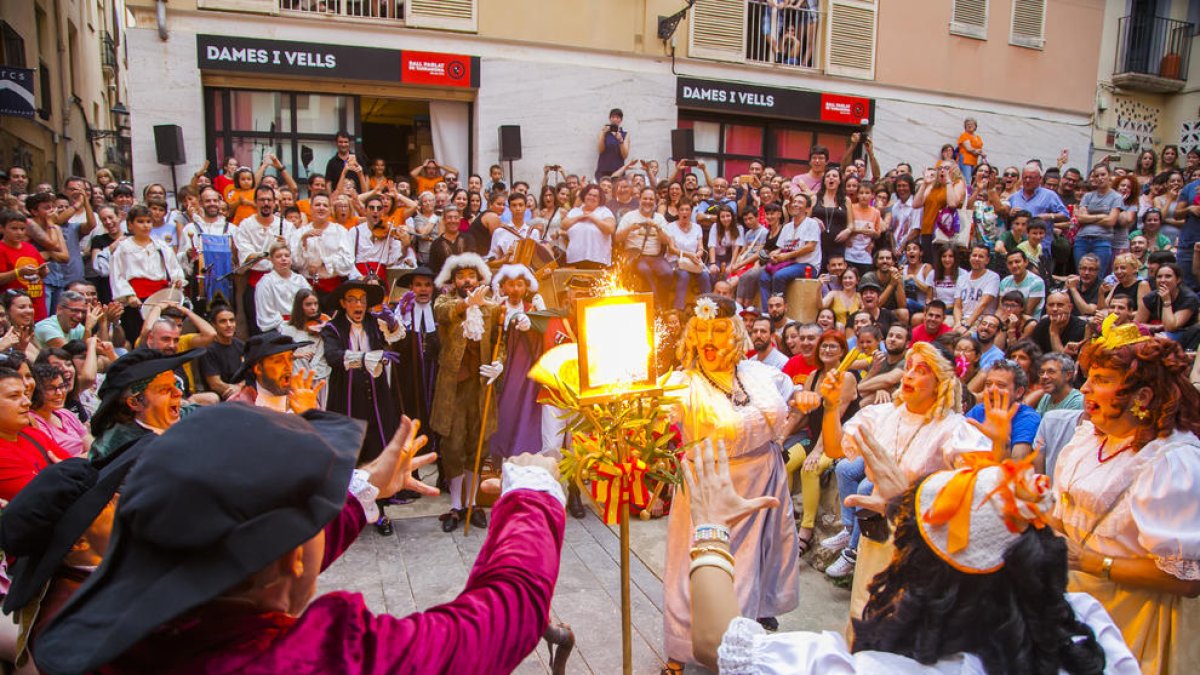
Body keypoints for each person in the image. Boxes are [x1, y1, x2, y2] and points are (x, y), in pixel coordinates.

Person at [32, 404, 568, 674]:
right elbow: (504, 616)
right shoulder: (316, 658)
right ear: (293, 557)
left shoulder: (139, 634)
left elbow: (257, 557)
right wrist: (533, 492)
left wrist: (361, 492)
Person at [682, 440, 1138, 674]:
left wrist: (711, 524)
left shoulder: (890, 669)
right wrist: (912, 512)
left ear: (926, 573)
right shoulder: (1084, 627)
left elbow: (717, 641)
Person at [659, 294, 800, 671]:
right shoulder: (681, 384)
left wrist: (816, 398)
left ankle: (739, 647)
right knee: (698, 564)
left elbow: (790, 398)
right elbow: (654, 419)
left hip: (763, 479)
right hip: (710, 487)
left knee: (750, 568)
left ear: (735, 334)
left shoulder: (760, 374)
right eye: (701, 329)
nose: (709, 338)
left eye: (719, 329)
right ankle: (680, 648)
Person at [1052, 316, 1200, 673]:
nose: (1084, 389)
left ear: (1142, 396)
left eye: (1101, 380)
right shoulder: (1087, 440)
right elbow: (1061, 521)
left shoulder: (1173, 460)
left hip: (1137, 617)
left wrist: (1091, 563)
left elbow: (1187, 579)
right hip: (1076, 605)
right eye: (1088, 377)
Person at [799, 341, 990, 618]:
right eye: (908, 367)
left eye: (922, 370)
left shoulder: (953, 429)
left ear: (940, 382)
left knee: (902, 616)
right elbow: (835, 448)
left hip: (921, 538)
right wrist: (830, 407)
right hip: (875, 536)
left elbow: (977, 485)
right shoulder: (882, 414)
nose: (909, 374)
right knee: (863, 610)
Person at [320, 280, 406, 535]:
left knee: (377, 447)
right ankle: (350, 512)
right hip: (347, 396)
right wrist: (368, 357)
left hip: (376, 395)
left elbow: (394, 335)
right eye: (353, 299)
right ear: (343, 303)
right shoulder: (333, 328)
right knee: (350, 451)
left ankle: (379, 510)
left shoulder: (373, 322)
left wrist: (391, 323)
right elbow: (334, 357)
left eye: (362, 299)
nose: (358, 304)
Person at [431, 254, 500, 532]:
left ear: (479, 278)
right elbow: (444, 314)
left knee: (477, 445)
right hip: (453, 387)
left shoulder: (492, 309)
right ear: (453, 281)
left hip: (480, 387)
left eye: (471, 276)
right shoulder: (444, 302)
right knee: (452, 446)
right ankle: (456, 506)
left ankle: (473, 504)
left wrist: (499, 363)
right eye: (461, 277)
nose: (467, 281)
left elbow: (499, 341)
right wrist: (466, 304)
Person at [88, 347, 204, 460]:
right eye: (164, 390)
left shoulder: (194, 417)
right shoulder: (114, 448)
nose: (178, 392)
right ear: (135, 402)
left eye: (175, 385)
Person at [487, 264, 545, 462]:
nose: (515, 290)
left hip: (525, 366)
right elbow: (492, 339)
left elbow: (543, 337)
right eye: (510, 285)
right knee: (504, 410)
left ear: (526, 287)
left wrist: (537, 320)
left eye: (520, 285)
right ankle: (498, 456)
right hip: (502, 368)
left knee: (525, 410)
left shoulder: (533, 308)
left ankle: (522, 454)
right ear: (503, 286)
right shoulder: (497, 308)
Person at [0, 367, 69, 501]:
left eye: (25, 394)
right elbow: (48, 498)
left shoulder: (31, 433)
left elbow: (80, 470)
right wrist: (67, 474)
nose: (27, 402)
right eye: (14, 396)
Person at [227, 331, 323, 414]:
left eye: (290, 358)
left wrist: (309, 414)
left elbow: (323, 433)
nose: (288, 366)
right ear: (258, 369)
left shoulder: (303, 396)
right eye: (278, 361)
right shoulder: (239, 406)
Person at [964, 359, 1040, 459]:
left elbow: (1016, 463)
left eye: (1001, 385)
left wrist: (1001, 441)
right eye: (988, 384)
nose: (991, 390)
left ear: (1019, 392)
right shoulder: (978, 411)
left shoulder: (1027, 417)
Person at [616, 187, 673, 309]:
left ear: (655, 201)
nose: (648, 201)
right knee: (644, 270)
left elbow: (666, 241)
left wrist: (658, 228)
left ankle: (663, 302)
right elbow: (617, 238)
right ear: (639, 199)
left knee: (668, 272)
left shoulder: (659, 218)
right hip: (635, 256)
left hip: (655, 257)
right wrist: (629, 229)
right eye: (645, 198)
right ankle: (656, 305)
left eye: (651, 199)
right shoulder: (629, 216)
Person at [28, 363, 89, 458]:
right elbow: (56, 459)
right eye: (50, 388)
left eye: (61, 386)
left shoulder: (65, 413)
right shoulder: (32, 421)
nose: (59, 393)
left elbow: (92, 446)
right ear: (36, 391)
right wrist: (91, 456)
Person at [0, 210, 50, 322]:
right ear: (2, 229)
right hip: (13, 309)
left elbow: (41, 273)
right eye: (14, 228)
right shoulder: (1, 249)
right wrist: (18, 272)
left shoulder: (30, 247)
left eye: (22, 229)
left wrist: (43, 272)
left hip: (37, 304)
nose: (19, 232)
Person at [561, 184, 616, 269]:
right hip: (574, 259)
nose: (591, 197)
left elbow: (610, 229)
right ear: (584, 196)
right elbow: (563, 225)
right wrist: (580, 217)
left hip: (598, 260)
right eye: (589, 194)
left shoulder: (604, 211)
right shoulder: (575, 211)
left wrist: (592, 218)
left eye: (595, 196)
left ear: (600, 199)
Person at [198, 304, 244, 400]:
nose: (229, 325)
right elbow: (215, 384)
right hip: (221, 399)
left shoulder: (240, 345)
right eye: (223, 321)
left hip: (241, 393)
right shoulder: (208, 351)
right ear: (214, 325)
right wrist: (237, 391)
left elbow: (249, 373)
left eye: (232, 320)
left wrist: (241, 387)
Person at [595, 108, 630, 181]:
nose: (615, 119)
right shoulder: (603, 132)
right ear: (610, 118)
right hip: (603, 169)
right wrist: (604, 134)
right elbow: (600, 150)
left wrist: (620, 140)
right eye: (613, 117)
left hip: (618, 169)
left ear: (621, 120)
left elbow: (625, 155)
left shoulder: (625, 134)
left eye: (617, 117)